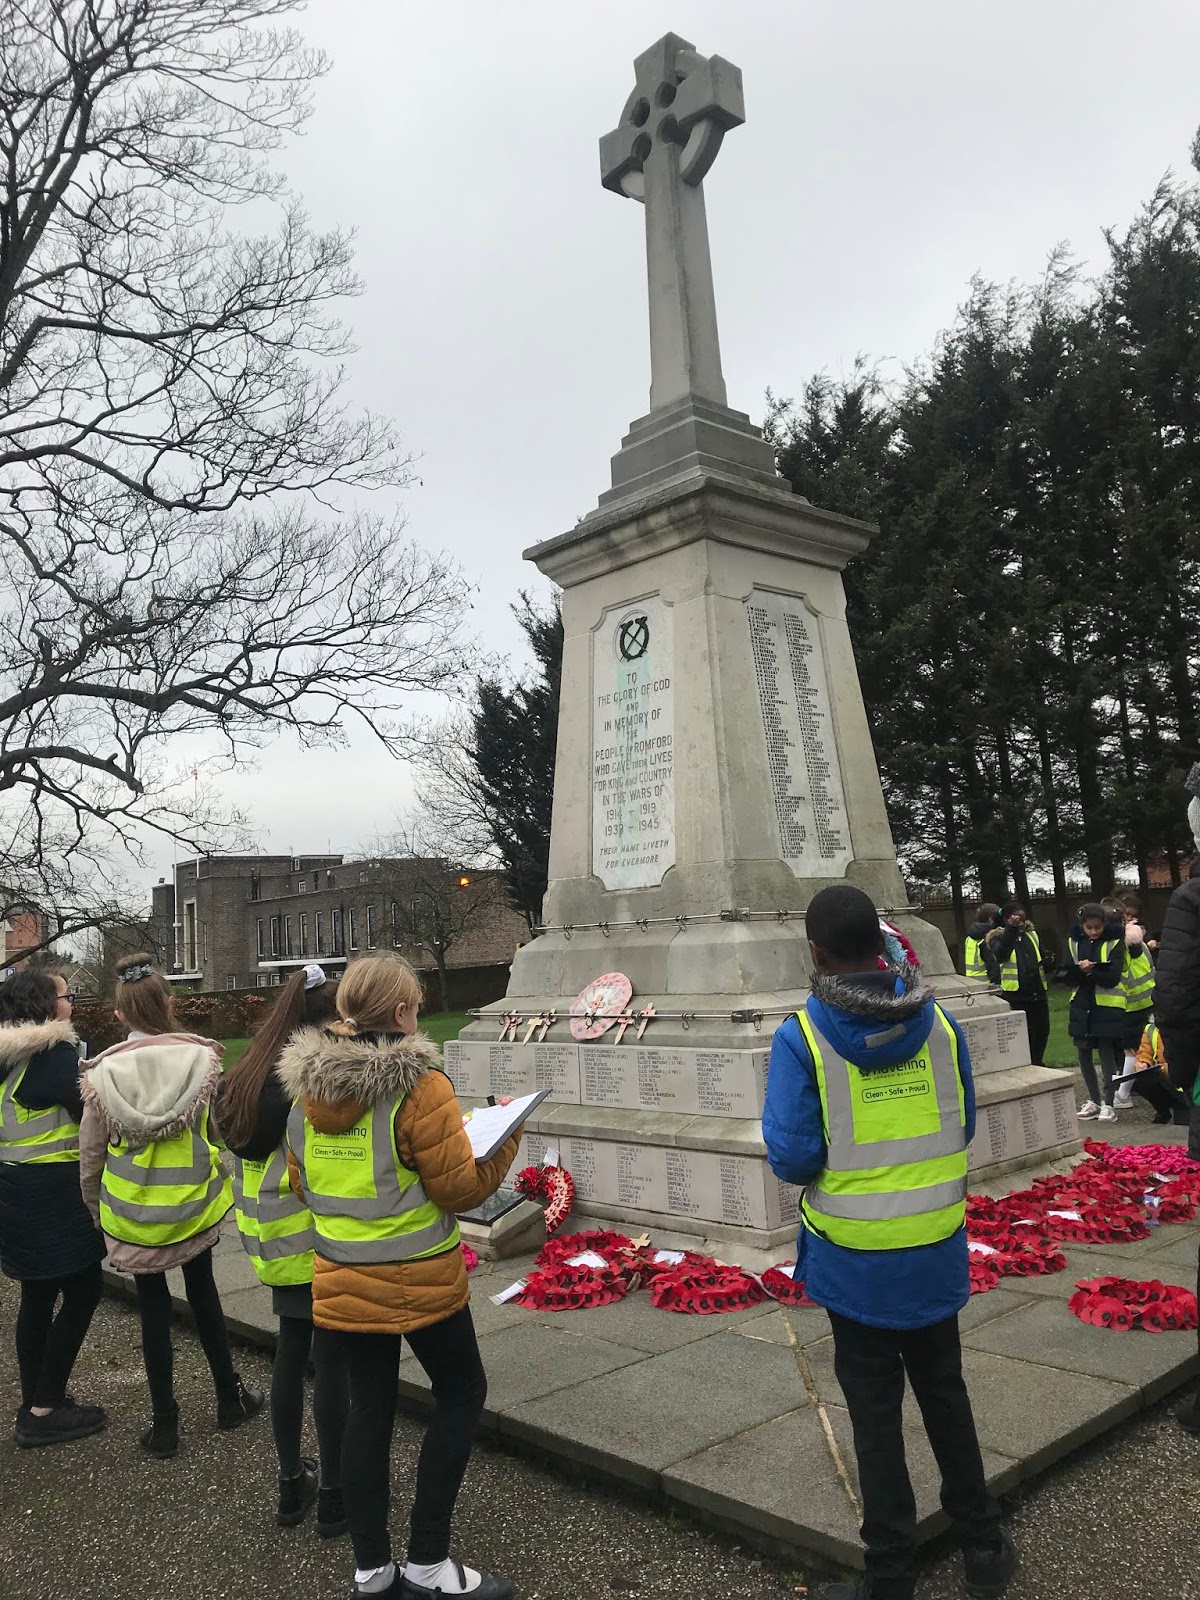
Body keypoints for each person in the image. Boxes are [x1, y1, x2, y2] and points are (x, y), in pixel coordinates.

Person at [762, 885, 1015, 1600]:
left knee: (875, 1422)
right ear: (883, 942)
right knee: (947, 1395)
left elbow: (792, 1156)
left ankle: (891, 1578)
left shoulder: (803, 1037)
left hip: (855, 1264)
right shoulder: (939, 1026)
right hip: (933, 1249)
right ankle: (984, 1547)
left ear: (815, 952)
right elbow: (961, 1124)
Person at [278, 953, 519, 1600]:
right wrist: (507, 1142)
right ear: (406, 1012)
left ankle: (372, 1571)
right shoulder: (420, 1087)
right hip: (420, 1279)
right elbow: (460, 1189)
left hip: (342, 1280)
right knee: (462, 1393)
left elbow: (303, 1184)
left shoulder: (306, 1090)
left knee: (368, 1409)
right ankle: (429, 1562)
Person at [78, 953, 263, 1457]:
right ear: (169, 1002)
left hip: (134, 1214)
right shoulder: (201, 1064)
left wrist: (95, 1208)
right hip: (194, 1204)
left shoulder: (103, 1075)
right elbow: (221, 1133)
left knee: (153, 1315)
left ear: (119, 1013)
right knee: (204, 1298)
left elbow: (91, 1154)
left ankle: (165, 1425)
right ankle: (229, 1397)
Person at [218, 962, 349, 1534]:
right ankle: (337, 1495)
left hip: (271, 1243)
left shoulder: (252, 1070)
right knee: (334, 1367)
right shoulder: (309, 1080)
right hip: (314, 1240)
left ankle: (291, 1485)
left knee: (291, 1361)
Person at [0, 970, 106, 1447]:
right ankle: (44, 1408)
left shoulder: (6, 1059)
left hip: (13, 1193)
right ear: (47, 1005)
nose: (72, 1003)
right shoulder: (56, 1056)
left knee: (37, 1297)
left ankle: (34, 1402)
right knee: (84, 1291)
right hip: (54, 1197)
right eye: (66, 996)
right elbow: (96, 1118)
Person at [1061, 903, 1127, 1124]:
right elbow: (1066, 976)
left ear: (1104, 924)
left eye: (1098, 927)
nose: (1094, 932)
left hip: (1106, 1005)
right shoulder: (1073, 942)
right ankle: (1094, 1101)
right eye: (1089, 928)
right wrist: (1079, 971)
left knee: (1107, 1054)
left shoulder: (1115, 942)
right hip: (1081, 1004)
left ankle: (1109, 1103)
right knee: (1083, 1053)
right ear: (1082, 926)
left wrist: (1092, 972)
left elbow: (1113, 977)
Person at [981, 901, 1050, 1066]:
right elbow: (1001, 954)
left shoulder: (1031, 934)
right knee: (1022, 1035)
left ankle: (1037, 1061)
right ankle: (1028, 1064)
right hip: (1016, 995)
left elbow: (1040, 956)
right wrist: (1011, 930)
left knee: (1042, 1032)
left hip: (1037, 992)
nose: (1019, 920)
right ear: (1005, 919)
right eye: (1014, 917)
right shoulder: (995, 937)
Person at [1114, 905, 1155, 1108]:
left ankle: (1123, 1094)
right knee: (1146, 1048)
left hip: (1129, 1003)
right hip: (1148, 998)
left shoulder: (1119, 944)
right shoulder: (1139, 939)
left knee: (1132, 1051)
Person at [1123, 1023, 1191, 1125]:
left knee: (1184, 1125)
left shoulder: (1190, 1026)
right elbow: (1144, 1051)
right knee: (1141, 1081)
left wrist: (1168, 1068)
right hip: (1164, 1078)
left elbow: (1188, 1060)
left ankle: (1181, 1108)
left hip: (1186, 1086)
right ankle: (1163, 1111)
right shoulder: (1151, 1028)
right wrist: (1142, 1063)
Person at [962, 902, 1000, 983]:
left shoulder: (970, 937)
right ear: (991, 919)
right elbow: (993, 966)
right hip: (987, 986)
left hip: (972, 983)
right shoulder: (988, 938)